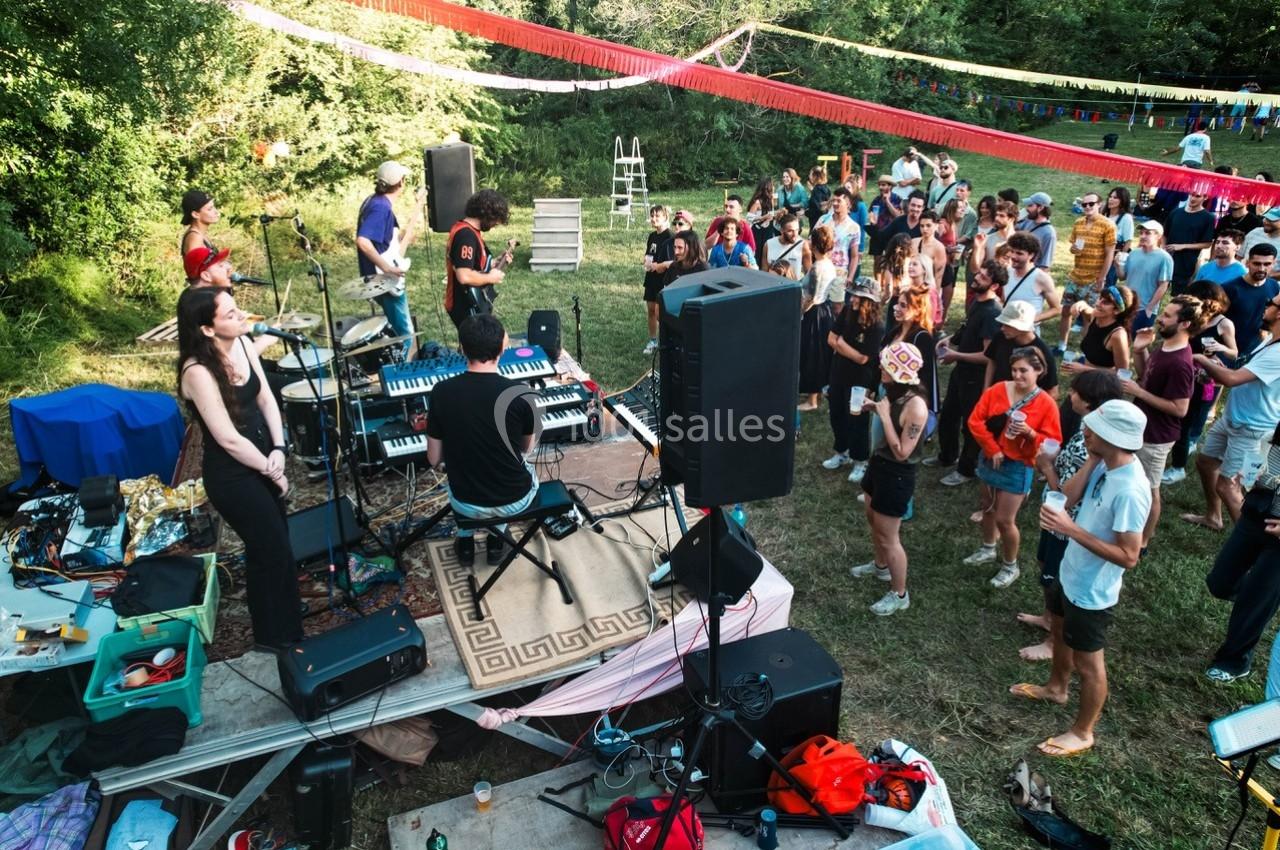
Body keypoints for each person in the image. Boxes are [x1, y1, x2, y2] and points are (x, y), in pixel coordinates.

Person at [1012, 400, 1151, 758]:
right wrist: (1092, 458)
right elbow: (1069, 498)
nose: (1084, 432)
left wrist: (1071, 530)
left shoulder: (1131, 489)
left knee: (1090, 666)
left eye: (1093, 430)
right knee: (1057, 632)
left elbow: (1129, 556)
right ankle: (1057, 687)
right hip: (1070, 571)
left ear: (1114, 437)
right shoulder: (1104, 463)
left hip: (1093, 591)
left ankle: (1083, 731)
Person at [176, 286, 302, 650]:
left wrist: (279, 447)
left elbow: (265, 396)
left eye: (238, 310)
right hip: (232, 475)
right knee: (269, 548)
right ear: (207, 329)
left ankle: (289, 620)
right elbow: (228, 438)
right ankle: (272, 636)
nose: (241, 318)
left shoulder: (245, 345)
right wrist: (271, 469)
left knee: (278, 544)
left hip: (263, 457)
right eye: (230, 315)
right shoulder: (197, 372)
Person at [1020, 371, 1125, 662]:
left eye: (1076, 392)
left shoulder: (1087, 443)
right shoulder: (1086, 431)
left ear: (1091, 401)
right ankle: (1047, 618)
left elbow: (1067, 497)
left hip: (1067, 524)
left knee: (1056, 581)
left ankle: (1053, 641)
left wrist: (1046, 467)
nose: (1070, 395)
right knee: (1046, 568)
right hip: (1055, 522)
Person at [426, 314, 539, 566]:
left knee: (460, 471)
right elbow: (526, 449)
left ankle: (465, 541)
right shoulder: (520, 394)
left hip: (465, 502)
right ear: (502, 349)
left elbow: (434, 459)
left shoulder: (441, 393)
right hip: (514, 501)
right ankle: (496, 541)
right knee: (522, 465)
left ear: (462, 348)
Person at [964, 347, 1062, 588]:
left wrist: (1030, 433)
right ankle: (988, 548)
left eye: (1024, 371)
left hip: (1018, 466)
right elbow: (975, 420)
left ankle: (1010, 565)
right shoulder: (997, 390)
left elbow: (1053, 443)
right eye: (1014, 370)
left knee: (1005, 520)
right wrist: (991, 448)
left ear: (1038, 371)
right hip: (991, 460)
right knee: (987, 508)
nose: (1017, 376)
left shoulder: (1046, 404)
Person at [1184, 291, 1280, 530]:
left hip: (1253, 429)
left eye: (1271, 303)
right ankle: (1213, 518)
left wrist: (1200, 359)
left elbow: (1233, 379)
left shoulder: (1278, 353)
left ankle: (1245, 543)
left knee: (1229, 485)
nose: (1265, 305)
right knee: (1206, 462)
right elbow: (1244, 372)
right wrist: (1217, 364)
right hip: (1234, 417)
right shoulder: (1270, 339)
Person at [849, 341, 930, 616]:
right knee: (873, 519)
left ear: (896, 371)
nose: (880, 367)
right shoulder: (896, 394)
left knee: (889, 537)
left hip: (896, 474)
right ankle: (880, 566)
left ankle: (899, 593)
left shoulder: (916, 406)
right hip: (879, 465)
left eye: (885, 365)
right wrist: (875, 407)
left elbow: (903, 452)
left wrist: (883, 417)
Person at [1204, 421, 1280, 682]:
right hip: (1258, 510)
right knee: (1220, 582)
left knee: (1256, 600)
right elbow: (1268, 452)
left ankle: (1234, 662)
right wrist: (1253, 475)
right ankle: (1255, 597)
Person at [1122, 296, 1200, 548]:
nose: (1160, 318)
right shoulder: (1165, 346)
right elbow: (1147, 376)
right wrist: (1139, 349)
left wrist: (1139, 392)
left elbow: (1180, 408)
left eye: (1167, 316)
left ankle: (1143, 541)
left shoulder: (1180, 363)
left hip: (1157, 436)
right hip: (1142, 428)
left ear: (1184, 323)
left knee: (1149, 489)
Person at [933, 259, 1007, 486]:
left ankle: (966, 469)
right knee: (948, 417)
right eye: (979, 273)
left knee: (971, 425)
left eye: (984, 277)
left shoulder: (993, 313)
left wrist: (956, 356)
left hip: (976, 379)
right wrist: (950, 339)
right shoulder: (978, 301)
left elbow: (988, 356)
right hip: (961, 373)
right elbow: (967, 327)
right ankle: (947, 456)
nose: (976, 277)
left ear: (994, 286)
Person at [1164, 281, 1238, 485]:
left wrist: (1220, 349)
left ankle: (1178, 467)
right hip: (1183, 373)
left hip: (1204, 380)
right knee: (1172, 418)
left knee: (1186, 422)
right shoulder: (1193, 318)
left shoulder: (1224, 324)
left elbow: (1234, 352)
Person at [356, 160, 426, 350]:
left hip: (380, 278)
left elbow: (394, 250)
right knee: (406, 337)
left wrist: (419, 207)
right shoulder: (381, 208)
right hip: (386, 280)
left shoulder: (374, 201)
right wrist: (387, 268)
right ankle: (396, 376)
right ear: (401, 182)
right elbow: (363, 241)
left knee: (394, 331)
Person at [823, 278, 885, 482]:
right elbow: (831, 338)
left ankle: (860, 460)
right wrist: (842, 345)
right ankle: (841, 452)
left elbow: (863, 358)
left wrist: (841, 345)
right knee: (837, 413)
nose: (852, 298)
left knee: (857, 419)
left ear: (869, 301)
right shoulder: (848, 313)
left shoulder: (876, 326)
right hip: (838, 373)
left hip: (860, 380)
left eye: (858, 296)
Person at [1060, 285, 1136, 438]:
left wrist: (1083, 370)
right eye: (1100, 298)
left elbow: (1122, 375)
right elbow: (1086, 308)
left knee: (1083, 432)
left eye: (1106, 302)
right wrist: (1079, 304)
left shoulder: (1117, 335)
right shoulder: (1096, 316)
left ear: (1116, 310)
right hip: (1084, 380)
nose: (1099, 303)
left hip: (1101, 389)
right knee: (1064, 422)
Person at [1056, 193, 1117, 355]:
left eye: (1091, 204)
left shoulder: (1108, 225)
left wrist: (1102, 278)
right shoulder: (1078, 223)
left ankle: (1086, 352)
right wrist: (1073, 249)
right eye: (1084, 205)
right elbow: (1073, 247)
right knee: (1066, 312)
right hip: (1075, 276)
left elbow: (1110, 253)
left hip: (1094, 278)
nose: (1088, 207)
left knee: (1089, 317)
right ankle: (1062, 345)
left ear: (1100, 204)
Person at [444, 188, 512, 332]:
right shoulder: (465, 235)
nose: (495, 225)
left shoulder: (472, 232)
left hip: (472, 303)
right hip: (465, 305)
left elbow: (474, 265)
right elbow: (464, 275)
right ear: (486, 214)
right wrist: (490, 277)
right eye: (495, 220)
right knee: (480, 348)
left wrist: (496, 262)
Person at [884, 283, 939, 438]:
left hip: (904, 399)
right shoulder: (896, 331)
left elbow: (926, 376)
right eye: (897, 303)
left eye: (903, 305)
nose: (897, 308)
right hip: (886, 392)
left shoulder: (921, 337)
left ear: (917, 310)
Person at [798, 225, 839, 412]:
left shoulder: (817, 268)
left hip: (814, 313)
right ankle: (819, 392)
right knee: (821, 353)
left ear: (814, 244)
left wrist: (799, 312)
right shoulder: (829, 264)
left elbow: (810, 297)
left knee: (813, 353)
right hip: (825, 310)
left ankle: (812, 399)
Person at [985, 301, 1060, 399]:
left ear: (1022, 327)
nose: (1002, 328)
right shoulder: (1001, 337)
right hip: (997, 396)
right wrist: (986, 391)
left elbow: (1053, 392)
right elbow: (992, 361)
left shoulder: (1043, 352)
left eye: (1008, 325)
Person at [1222, 244, 1280, 354]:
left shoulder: (1274, 286)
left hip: (1256, 349)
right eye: (1256, 264)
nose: (1261, 269)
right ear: (1247, 263)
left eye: (1267, 264)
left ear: (1274, 264)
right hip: (1228, 351)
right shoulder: (1228, 288)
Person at [1117, 221, 1173, 333]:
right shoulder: (1133, 254)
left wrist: (1150, 308)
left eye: (1147, 233)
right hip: (1127, 305)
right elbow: (1123, 277)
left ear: (1158, 236)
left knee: (1136, 343)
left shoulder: (1164, 258)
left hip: (1144, 309)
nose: (1142, 236)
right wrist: (1118, 266)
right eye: (1141, 233)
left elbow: (1163, 285)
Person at [1003, 232, 1061, 326]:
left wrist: (1031, 319)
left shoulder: (1042, 278)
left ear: (1031, 255)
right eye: (1012, 251)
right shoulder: (1007, 272)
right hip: (1006, 328)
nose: (1013, 256)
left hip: (1027, 333)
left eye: (1019, 253)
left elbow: (1057, 309)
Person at [1164, 191, 1216, 295]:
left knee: (1178, 295)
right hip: (1168, 257)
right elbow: (1164, 234)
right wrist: (1163, 249)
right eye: (1192, 195)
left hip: (1186, 262)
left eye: (1197, 196)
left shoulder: (1208, 217)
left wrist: (1183, 246)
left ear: (1205, 197)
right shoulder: (1176, 212)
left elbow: (1207, 243)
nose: (1193, 198)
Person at [641, 205, 675, 355]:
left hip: (663, 279)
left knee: (660, 312)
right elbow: (649, 253)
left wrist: (658, 266)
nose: (654, 219)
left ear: (665, 217)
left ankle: (667, 341)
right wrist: (646, 261)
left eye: (657, 216)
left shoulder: (670, 236)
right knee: (650, 310)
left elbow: (672, 262)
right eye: (652, 216)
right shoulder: (652, 236)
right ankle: (653, 340)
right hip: (651, 278)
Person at [815, 187, 862, 293]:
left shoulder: (854, 227)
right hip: (821, 268)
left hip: (840, 271)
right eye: (833, 200)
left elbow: (855, 256)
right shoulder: (823, 220)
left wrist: (850, 277)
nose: (835, 203)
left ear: (848, 203)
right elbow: (811, 242)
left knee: (837, 306)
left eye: (839, 201)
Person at [912, 210, 948, 325]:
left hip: (928, 289)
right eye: (922, 226)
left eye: (928, 225)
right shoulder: (914, 242)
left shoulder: (939, 248)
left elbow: (938, 277)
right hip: (912, 287)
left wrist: (934, 300)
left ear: (936, 226)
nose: (925, 229)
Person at [760, 213, 811, 280]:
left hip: (792, 288)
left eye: (797, 230)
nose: (795, 234)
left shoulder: (802, 245)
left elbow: (809, 275)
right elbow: (764, 273)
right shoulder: (768, 244)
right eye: (790, 231)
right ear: (781, 230)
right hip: (772, 287)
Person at [1016, 192, 1057, 271]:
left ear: (1040, 208)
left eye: (1030, 206)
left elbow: (1045, 265)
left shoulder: (1049, 233)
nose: (1026, 209)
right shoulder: (1028, 221)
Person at [1104, 187, 1134, 287]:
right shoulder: (1104, 215)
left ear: (1123, 200)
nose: (1111, 199)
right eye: (1110, 196)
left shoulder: (1126, 218)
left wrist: (1119, 259)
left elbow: (1128, 241)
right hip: (1098, 255)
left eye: (1115, 197)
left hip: (1113, 258)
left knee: (1107, 285)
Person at [867, 175, 901, 259]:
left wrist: (887, 202)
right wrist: (871, 219)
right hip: (878, 233)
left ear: (890, 186)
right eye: (879, 185)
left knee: (891, 260)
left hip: (891, 234)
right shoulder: (876, 200)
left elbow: (898, 216)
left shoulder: (897, 199)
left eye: (883, 185)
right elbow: (871, 213)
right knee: (877, 260)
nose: (880, 187)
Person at [179, 190, 220, 260]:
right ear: (195, 214)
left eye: (214, 207)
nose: (216, 212)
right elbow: (196, 268)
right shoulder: (195, 237)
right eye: (210, 209)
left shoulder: (200, 234)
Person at [1241, 209, 1280, 280]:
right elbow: (1239, 256)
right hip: (1243, 279)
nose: (1266, 222)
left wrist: (1265, 276)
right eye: (1265, 218)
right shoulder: (1255, 232)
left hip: (1270, 285)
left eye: (1271, 220)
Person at [875, 233, 913, 305]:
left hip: (897, 300)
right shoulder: (913, 261)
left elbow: (889, 291)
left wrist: (880, 303)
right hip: (911, 298)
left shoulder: (890, 265)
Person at [746, 176, 779, 248]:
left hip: (768, 230)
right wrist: (763, 217)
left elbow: (772, 214)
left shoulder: (771, 199)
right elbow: (748, 219)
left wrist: (776, 215)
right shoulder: (757, 202)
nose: (774, 187)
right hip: (758, 232)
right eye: (772, 185)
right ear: (767, 187)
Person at [805, 167, 831, 234]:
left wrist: (805, 212)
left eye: (810, 174)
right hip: (824, 221)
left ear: (815, 176)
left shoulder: (817, 190)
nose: (809, 176)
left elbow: (818, 209)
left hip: (816, 223)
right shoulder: (826, 188)